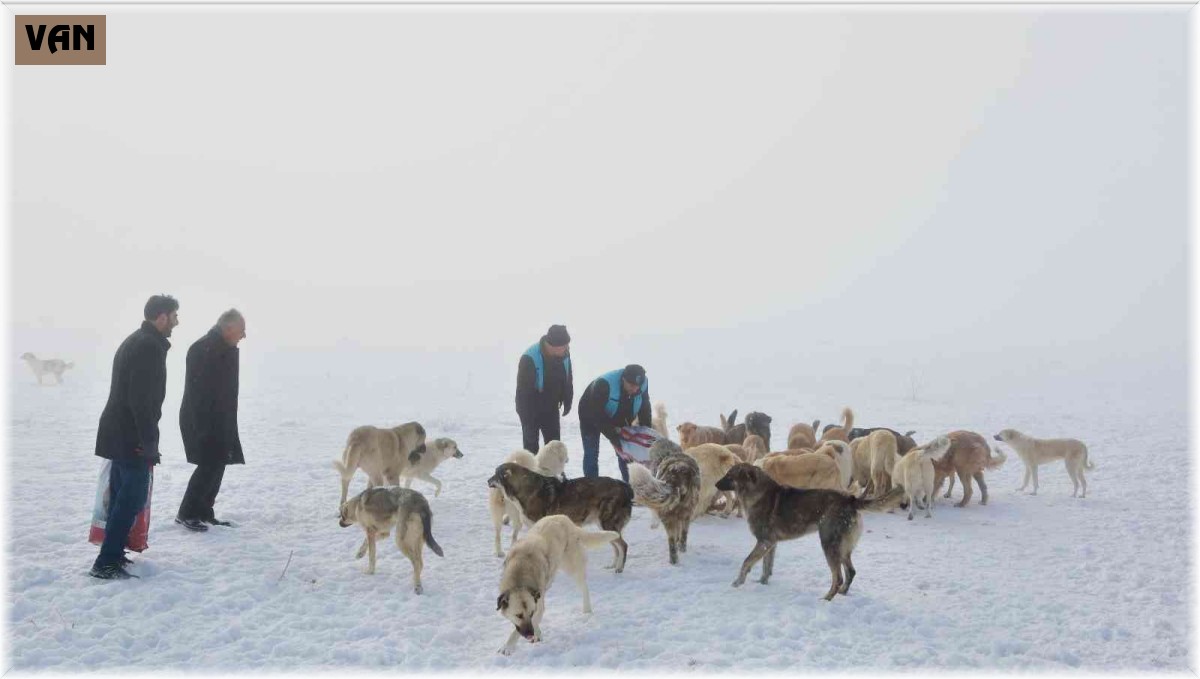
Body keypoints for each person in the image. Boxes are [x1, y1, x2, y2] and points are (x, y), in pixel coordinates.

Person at [90, 294, 179, 580]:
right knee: (132, 497)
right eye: (174, 316)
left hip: (119, 431)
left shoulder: (137, 340)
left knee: (121, 496)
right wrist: (148, 442)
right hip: (130, 436)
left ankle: (113, 553)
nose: (177, 322)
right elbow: (142, 401)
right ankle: (106, 562)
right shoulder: (148, 346)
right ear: (161, 317)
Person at [177, 309, 247, 531]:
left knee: (218, 464)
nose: (243, 336)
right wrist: (205, 426)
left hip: (220, 417)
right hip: (203, 419)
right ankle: (187, 513)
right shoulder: (203, 348)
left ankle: (205, 512)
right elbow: (199, 392)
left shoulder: (222, 348)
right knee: (208, 465)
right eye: (241, 330)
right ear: (228, 328)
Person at [577, 364, 651, 483]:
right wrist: (614, 436)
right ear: (623, 379)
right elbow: (598, 417)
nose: (635, 389)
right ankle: (592, 486)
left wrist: (645, 433)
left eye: (637, 386)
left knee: (626, 452)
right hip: (590, 414)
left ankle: (630, 485)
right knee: (592, 452)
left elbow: (645, 408)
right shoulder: (604, 384)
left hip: (618, 414)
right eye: (631, 385)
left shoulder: (643, 384)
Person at [515, 324, 573, 454]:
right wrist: (528, 418)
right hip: (529, 406)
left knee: (554, 446)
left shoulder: (564, 354)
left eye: (567, 345)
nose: (567, 349)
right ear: (553, 346)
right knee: (531, 447)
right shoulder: (529, 358)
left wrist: (568, 399)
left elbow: (568, 377)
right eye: (564, 346)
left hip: (551, 405)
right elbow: (523, 392)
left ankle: (554, 468)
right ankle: (532, 467)